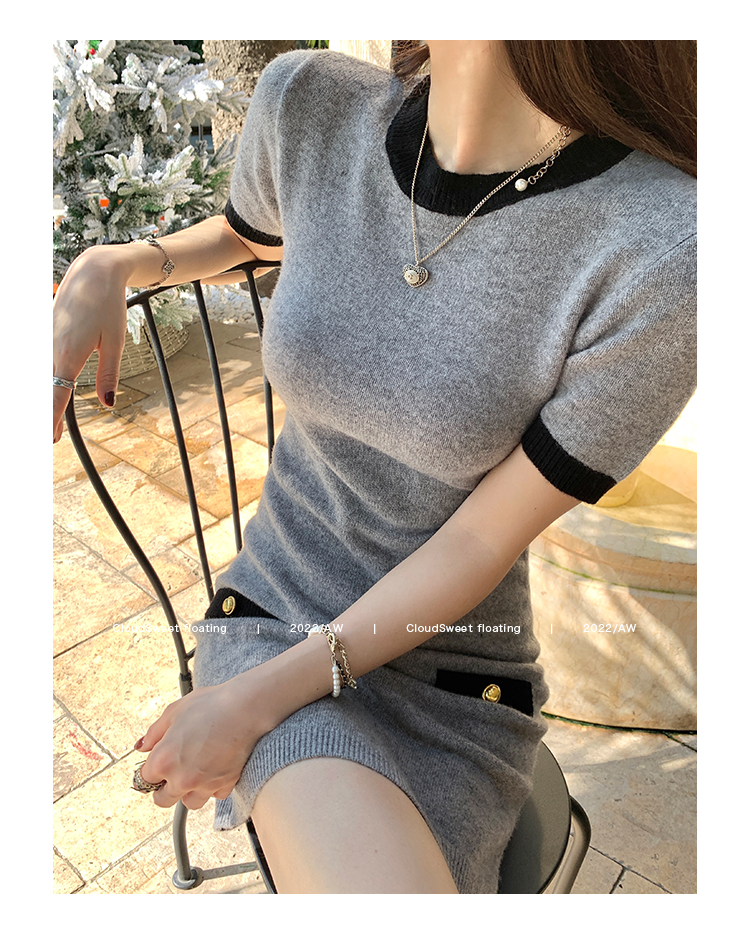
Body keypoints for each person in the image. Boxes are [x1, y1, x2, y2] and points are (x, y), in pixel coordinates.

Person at [52, 40, 697, 894]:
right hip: (276, 609)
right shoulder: (308, 102)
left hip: (453, 671)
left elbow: (479, 541)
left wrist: (255, 702)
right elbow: (247, 237)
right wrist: (120, 260)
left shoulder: (667, 248)